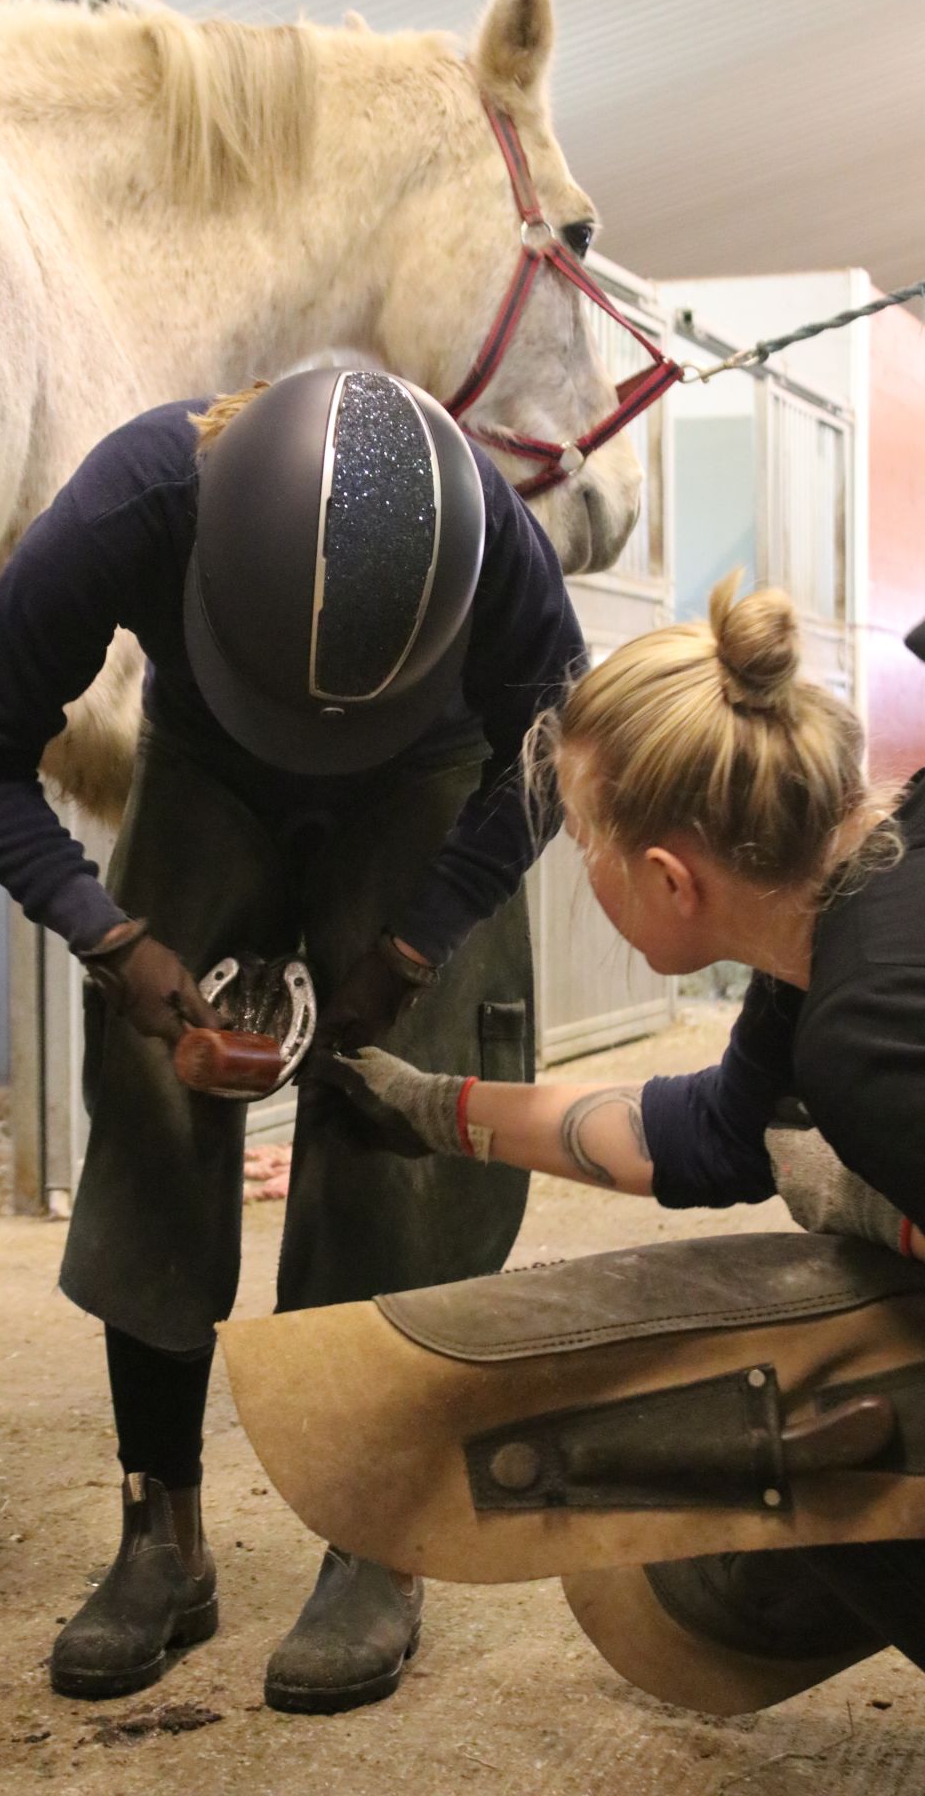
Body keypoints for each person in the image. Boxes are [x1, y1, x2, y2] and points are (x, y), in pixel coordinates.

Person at [0, 367, 586, 1712]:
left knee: (399, 1121)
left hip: (426, 770)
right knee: (156, 1105)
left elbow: (561, 746)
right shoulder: (142, 496)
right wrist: (111, 941)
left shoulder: (494, 537)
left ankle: (374, 1537)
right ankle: (158, 1533)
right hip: (211, 762)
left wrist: (413, 946)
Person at [322, 567, 925, 1685]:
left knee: (797, 1420)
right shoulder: (842, 915)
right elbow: (701, 1138)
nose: (582, 868)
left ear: (665, 878)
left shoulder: (864, 1032)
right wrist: (430, 1107)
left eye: (581, 841)